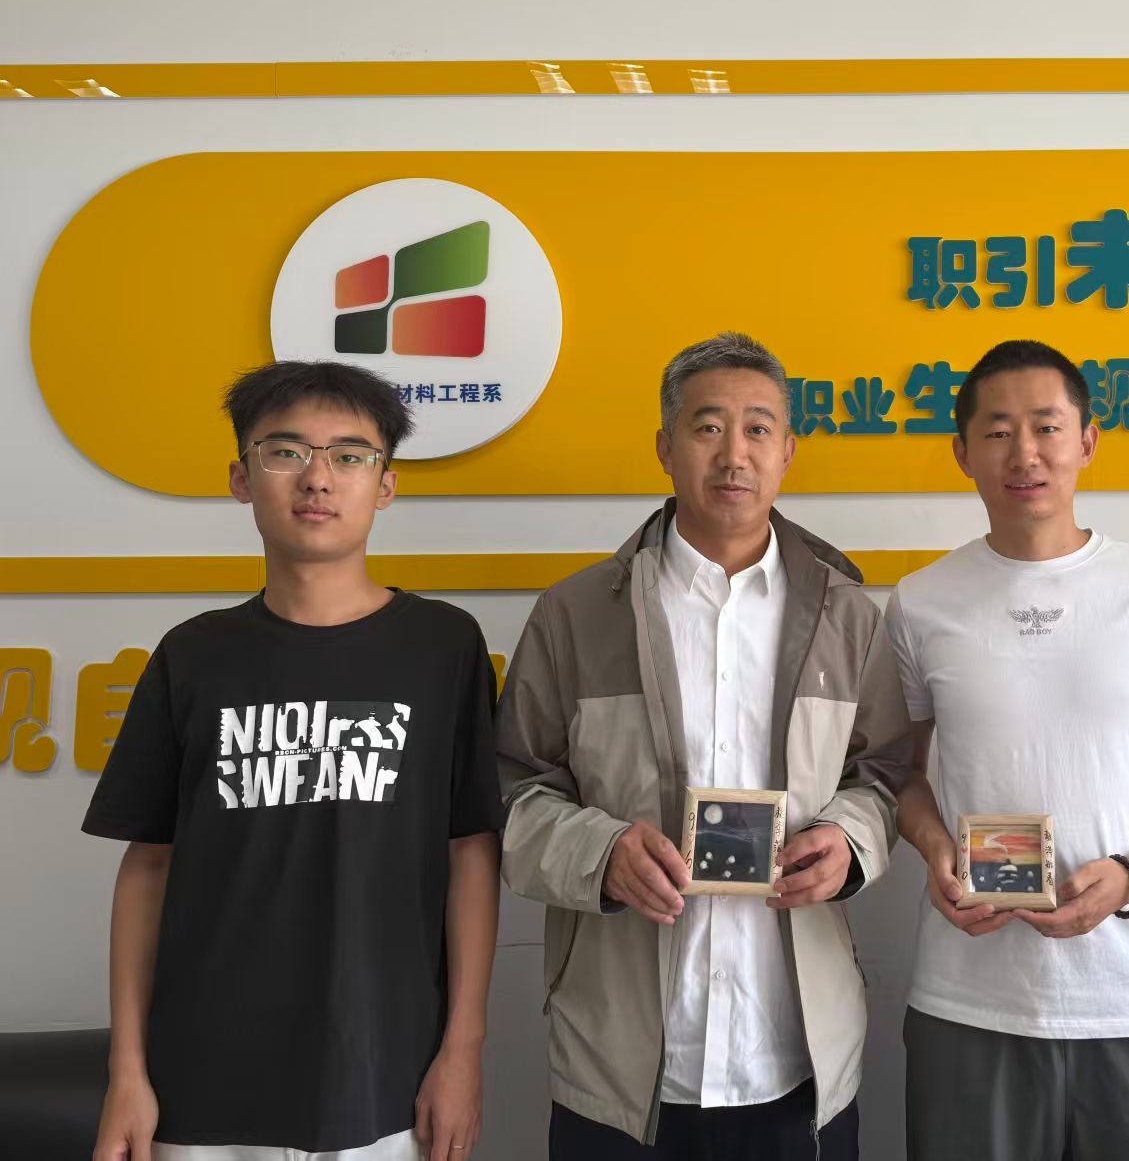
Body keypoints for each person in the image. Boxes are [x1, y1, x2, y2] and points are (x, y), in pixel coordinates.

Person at [496, 331, 913, 1159]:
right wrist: (601, 852)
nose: (734, 454)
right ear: (664, 446)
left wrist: (848, 841)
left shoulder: (848, 616)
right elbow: (511, 793)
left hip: (796, 1060)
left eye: (758, 429)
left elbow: (884, 774)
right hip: (620, 1073)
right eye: (708, 426)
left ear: (788, 452)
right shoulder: (576, 615)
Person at [84, 360, 502, 1161]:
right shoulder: (193, 656)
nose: (318, 477)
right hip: (201, 1083)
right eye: (286, 451)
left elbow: (470, 853)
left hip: (384, 1079)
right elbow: (148, 867)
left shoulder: (443, 647)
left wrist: (463, 1049)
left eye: (350, 455)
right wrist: (126, 1071)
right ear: (242, 478)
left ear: (385, 485)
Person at [888, 339, 1129, 1161]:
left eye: (1047, 427)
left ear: (1086, 441)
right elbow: (900, 776)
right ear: (962, 452)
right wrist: (935, 848)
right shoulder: (919, 602)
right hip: (970, 997)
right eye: (998, 431)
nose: (1025, 453)